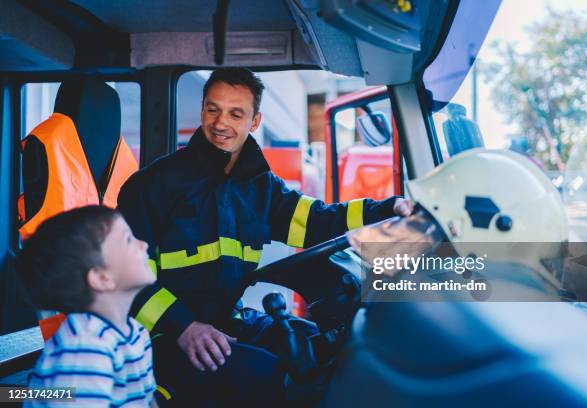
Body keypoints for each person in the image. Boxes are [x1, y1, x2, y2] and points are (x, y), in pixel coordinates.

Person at [117, 67, 413, 402]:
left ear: (254, 122)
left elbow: (315, 221)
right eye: (212, 109)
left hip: (231, 323)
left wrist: (388, 209)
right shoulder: (151, 186)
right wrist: (184, 327)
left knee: (325, 350)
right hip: (168, 335)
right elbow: (125, 278)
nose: (220, 123)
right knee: (274, 377)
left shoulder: (259, 186)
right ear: (202, 111)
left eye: (235, 113)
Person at [16, 206, 157, 407]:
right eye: (128, 240)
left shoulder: (137, 333)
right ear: (101, 278)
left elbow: (148, 401)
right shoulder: (85, 347)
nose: (143, 244)